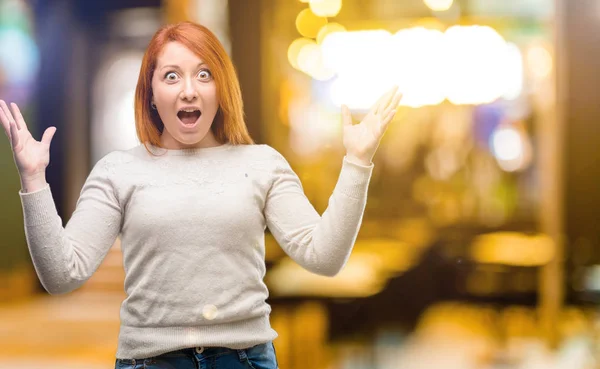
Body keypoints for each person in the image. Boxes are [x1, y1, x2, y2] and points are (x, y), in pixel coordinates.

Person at [0, 21, 401, 369]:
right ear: (151, 94)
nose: (189, 90)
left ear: (221, 87)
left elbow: (325, 257)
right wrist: (33, 179)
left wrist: (357, 162)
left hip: (244, 359)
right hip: (150, 361)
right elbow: (61, 275)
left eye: (204, 74)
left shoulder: (262, 164)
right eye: (171, 76)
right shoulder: (117, 171)